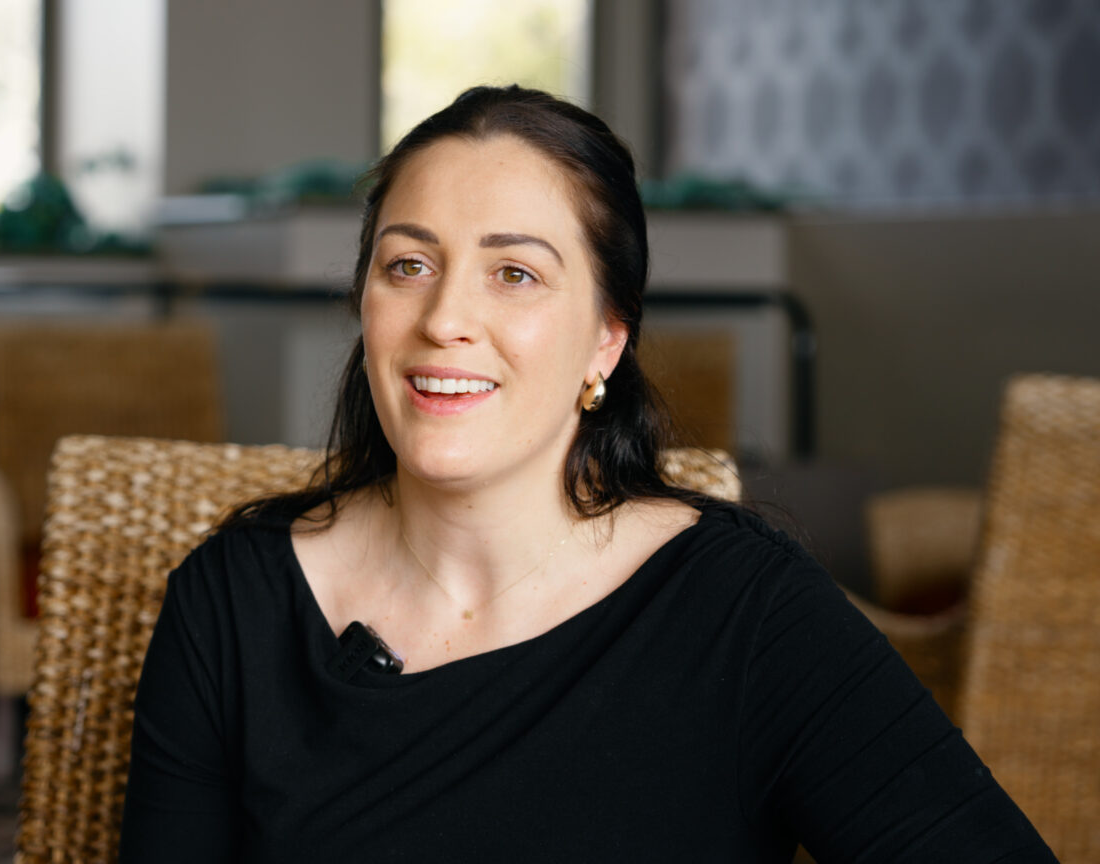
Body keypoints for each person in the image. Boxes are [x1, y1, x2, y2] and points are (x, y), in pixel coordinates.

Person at [118, 86, 1054, 862]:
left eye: (515, 274)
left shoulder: (744, 609)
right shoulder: (233, 602)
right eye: (408, 264)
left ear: (608, 338)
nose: (445, 317)